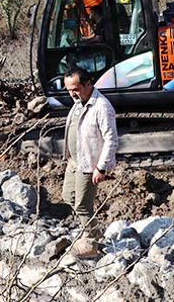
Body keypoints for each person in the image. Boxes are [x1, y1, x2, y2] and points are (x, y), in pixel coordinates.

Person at [62, 66, 118, 258]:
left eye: (75, 89)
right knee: (67, 195)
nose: (72, 94)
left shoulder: (102, 107)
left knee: (83, 205)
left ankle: (90, 243)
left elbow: (111, 139)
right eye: (68, 89)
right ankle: (92, 229)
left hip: (89, 163)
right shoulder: (79, 102)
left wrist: (101, 167)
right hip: (75, 161)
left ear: (88, 84)